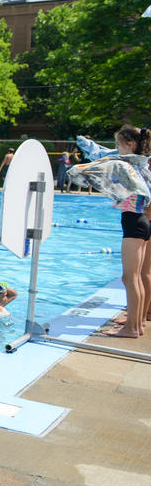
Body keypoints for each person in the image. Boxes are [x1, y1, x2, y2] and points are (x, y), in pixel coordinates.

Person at [70, 126, 151, 337]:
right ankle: (138, 324)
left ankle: (131, 328)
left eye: (117, 145)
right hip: (141, 221)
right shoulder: (139, 164)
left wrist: (84, 169)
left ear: (130, 145)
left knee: (130, 277)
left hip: (134, 223)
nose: (115, 149)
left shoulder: (125, 165)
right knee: (136, 277)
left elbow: (82, 170)